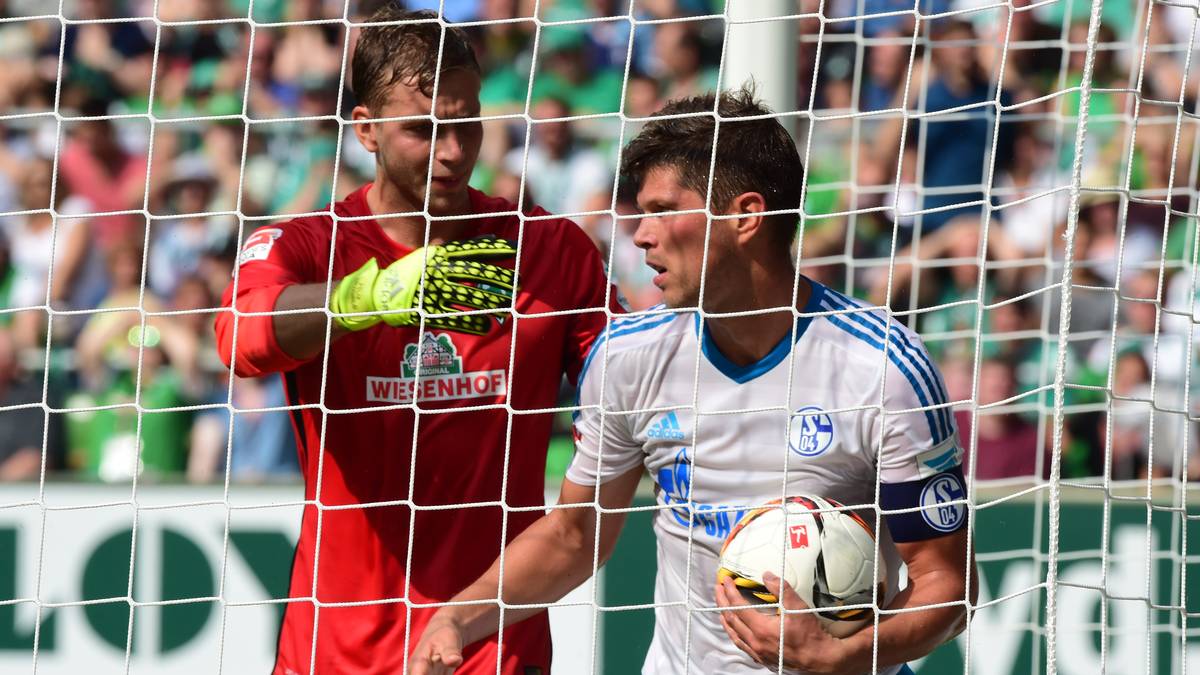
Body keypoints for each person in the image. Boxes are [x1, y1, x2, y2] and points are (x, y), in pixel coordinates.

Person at [410, 88, 977, 675]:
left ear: (745, 216)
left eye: (661, 209)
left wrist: (843, 655)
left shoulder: (883, 369)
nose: (640, 235)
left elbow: (947, 583)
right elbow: (574, 537)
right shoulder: (629, 356)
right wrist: (458, 616)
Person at [214, 6, 617, 674]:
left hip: (491, 647)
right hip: (335, 648)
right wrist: (360, 299)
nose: (453, 151)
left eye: (465, 123)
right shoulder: (311, 246)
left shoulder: (548, 248)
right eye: (424, 131)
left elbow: (630, 385)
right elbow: (239, 338)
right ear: (366, 130)